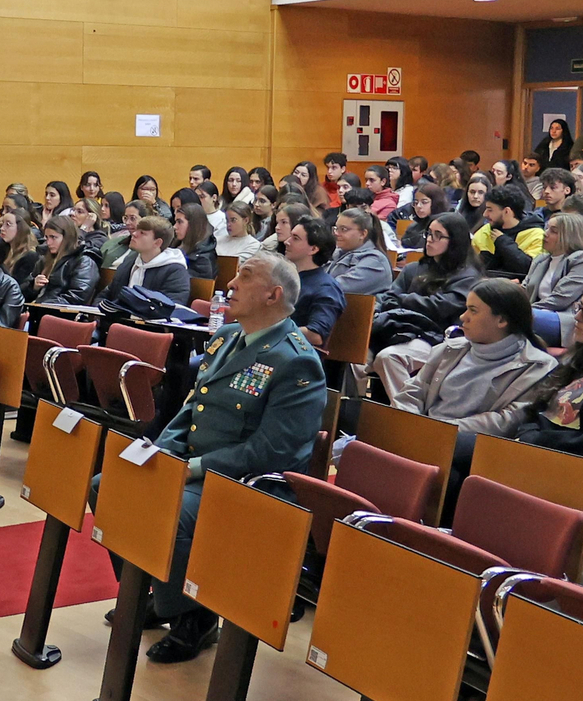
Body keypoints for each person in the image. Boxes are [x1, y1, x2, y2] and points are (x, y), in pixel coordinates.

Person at [105, 250, 324, 662]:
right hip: (194, 466)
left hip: (245, 482)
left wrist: (193, 468)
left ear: (273, 295)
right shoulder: (226, 337)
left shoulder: (295, 362)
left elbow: (272, 450)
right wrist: (161, 452)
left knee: (168, 506)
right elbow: (190, 409)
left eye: (246, 276)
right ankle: (153, 590)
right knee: (107, 486)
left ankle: (195, 618)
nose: (231, 284)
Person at [511, 283, 583, 584]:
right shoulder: (578, 361)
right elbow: (537, 409)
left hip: (577, 470)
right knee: (461, 465)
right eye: (580, 308)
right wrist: (529, 434)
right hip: (539, 450)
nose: (578, 317)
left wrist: (539, 441)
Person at [392, 279, 558, 439]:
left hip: (468, 446)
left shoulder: (539, 368)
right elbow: (413, 391)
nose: (463, 317)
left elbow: (506, 422)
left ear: (501, 320)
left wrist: (434, 430)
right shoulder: (450, 349)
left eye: (473, 310)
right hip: (422, 432)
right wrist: (410, 423)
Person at [369, 213, 484, 399]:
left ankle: (409, 410)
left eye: (438, 235)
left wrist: (404, 300)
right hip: (401, 329)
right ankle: (354, 409)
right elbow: (389, 296)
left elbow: (440, 307)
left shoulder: (468, 276)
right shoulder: (414, 268)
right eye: (429, 233)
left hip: (438, 337)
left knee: (389, 357)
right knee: (355, 354)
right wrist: (386, 305)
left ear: (455, 241)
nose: (430, 239)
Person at [523, 213, 583, 345]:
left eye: (553, 231)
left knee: (512, 318)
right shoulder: (540, 260)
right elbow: (524, 290)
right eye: (546, 228)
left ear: (570, 236)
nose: (545, 234)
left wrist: (519, 310)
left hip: (564, 319)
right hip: (535, 312)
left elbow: (560, 299)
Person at [98, 216, 191, 305]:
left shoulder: (175, 271)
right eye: (136, 230)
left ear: (157, 242)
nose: (134, 234)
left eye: (142, 233)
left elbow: (170, 307)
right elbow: (107, 293)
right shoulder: (129, 261)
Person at [283, 216, 345, 346]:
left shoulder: (326, 287)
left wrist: (272, 330)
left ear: (313, 249)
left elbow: (316, 335)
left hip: (295, 352)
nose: (287, 242)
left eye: (295, 238)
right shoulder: (285, 277)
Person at [25, 214, 100, 307]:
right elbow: (22, 292)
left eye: (53, 237)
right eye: (47, 237)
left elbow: (76, 298)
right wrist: (33, 287)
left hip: (56, 312)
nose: (48, 242)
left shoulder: (84, 261)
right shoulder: (45, 259)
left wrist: (42, 305)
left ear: (67, 237)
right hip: (38, 309)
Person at [475, 185, 544, 275]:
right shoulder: (486, 230)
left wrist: (504, 243)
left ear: (507, 211)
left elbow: (531, 269)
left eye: (490, 210)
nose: (485, 214)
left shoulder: (536, 235)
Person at [325, 208, 394, 295]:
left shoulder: (375, 262)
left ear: (363, 234)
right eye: (336, 228)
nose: (336, 233)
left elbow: (335, 288)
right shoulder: (337, 253)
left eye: (343, 229)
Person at [0, 209, 41, 289]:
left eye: (8, 224)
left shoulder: (30, 256)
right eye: (2, 224)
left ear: (21, 228)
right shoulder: (4, 250)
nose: (2, 228)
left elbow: (16, 287)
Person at [173, 202, 217, 280]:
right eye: (175, 222)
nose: (175, 227)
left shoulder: (203, 260)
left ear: (193, 225)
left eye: (179, 222)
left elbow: (191, 284)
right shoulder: (175, 245)